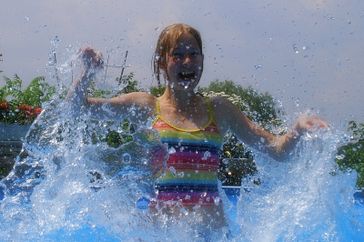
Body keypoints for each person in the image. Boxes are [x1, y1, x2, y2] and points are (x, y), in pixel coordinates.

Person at [67, 23, 327, 231]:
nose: (187, 62)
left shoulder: (220, 110)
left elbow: (277, 149)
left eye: (193, 54)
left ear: (203, 59)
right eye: (177, 56)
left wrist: (298, 129)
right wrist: (88, 73)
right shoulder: (146, 106)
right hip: (161, 233)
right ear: (162, 63)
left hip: (211, 234)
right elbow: (78, 108)